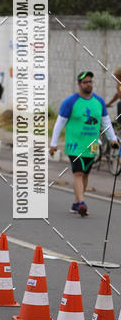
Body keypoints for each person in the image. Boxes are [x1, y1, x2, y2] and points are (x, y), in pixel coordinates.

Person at [50, 71, 118, 217]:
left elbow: (105, 121)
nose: (89, 84)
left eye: (90, 81)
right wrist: (53, 143)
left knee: (85, 174)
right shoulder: (70, 102)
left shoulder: (98, 102)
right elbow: (59, 123)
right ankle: (82, 202)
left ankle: (76, 202)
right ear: (79, 84)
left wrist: (113, 138)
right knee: (78, 173)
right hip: (74, 145)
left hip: (92, 145)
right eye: (85, 82)